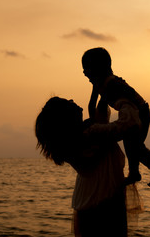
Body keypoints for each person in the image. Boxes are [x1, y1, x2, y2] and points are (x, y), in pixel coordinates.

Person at [35, 96, 142, 237]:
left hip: (93, 200)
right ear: (66, 118)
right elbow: (129, 124)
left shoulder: (78, 140)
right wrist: (123, 100)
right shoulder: (90, 135)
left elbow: (97, 111)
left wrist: (100, 91)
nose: (73, 100)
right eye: (68, 102)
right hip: (102, 203)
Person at [82, 47, 150, 186]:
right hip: (132, 111)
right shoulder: (99, 84)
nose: (84, 73)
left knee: (134, 144)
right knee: (133, 144)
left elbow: (125, 104)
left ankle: (146, 169)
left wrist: (97, 126)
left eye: (87, 69)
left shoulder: (113, 84)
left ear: (99, 69)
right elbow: (93, 104)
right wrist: (94, 121)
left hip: (140, 112)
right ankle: (139, 172)